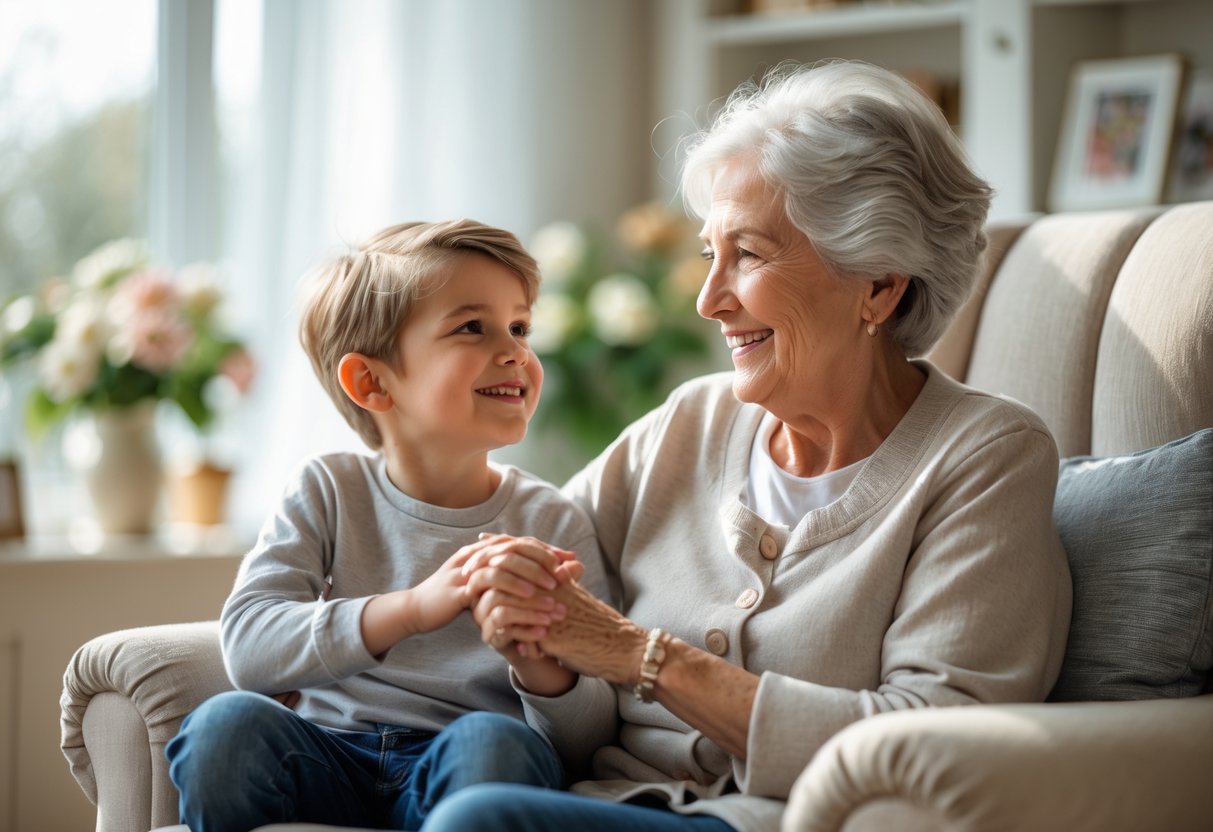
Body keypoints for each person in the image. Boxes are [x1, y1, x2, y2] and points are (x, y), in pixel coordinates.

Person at [424, 60, 1073, 832]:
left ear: (877, 284)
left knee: (479, 821)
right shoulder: (688, 425)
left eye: (750, 254)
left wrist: (641, 656)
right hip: (603, 806)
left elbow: (932, 741)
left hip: (768, 822)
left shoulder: (984, 457)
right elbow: (557, 660)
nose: (708, 299)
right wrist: (540, 652)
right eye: (710, 253)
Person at [166, 219, 607, 832]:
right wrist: (413, 608)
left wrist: (539, 665)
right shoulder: (328, 489)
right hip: (327, 752)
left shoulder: (552, 520)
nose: (514, 352)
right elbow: (249, 645)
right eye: (472, 328)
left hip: (460, 763)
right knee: (223, 727)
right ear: (371, 382)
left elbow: (593, 736)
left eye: (520, 327)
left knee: (496, 745)